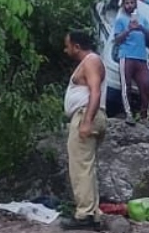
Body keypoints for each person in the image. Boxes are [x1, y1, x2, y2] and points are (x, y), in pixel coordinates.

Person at [61, 30, 107, 231]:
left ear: (77, 46)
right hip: (86, 114)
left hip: (85, 115)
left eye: (68, 45)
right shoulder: (90, 61)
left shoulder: (90, 60)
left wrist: (87, 120)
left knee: (80, 167)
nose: (66, 49)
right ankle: (93, 214)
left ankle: (84, 215)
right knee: (86, 166)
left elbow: (95, 91)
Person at [113, 0, 149, 126]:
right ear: (123, 5)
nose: (130, 5)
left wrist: (141, 28)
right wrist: (129, 30)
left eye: (132, 2)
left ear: (135, 3)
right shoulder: (120, 20)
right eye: (127, 3)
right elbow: (117, 40)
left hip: (141, 57)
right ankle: (128, 114)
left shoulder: (142, 19)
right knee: (126, 86)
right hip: (126, 56)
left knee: (146, 85)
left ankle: (144, 116)